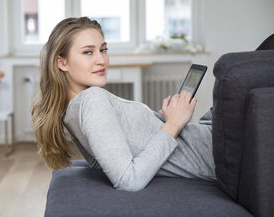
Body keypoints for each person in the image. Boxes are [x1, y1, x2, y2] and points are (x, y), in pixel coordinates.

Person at [32, 17, 215, 192]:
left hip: (208, 137)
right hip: (218, 150)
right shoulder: (91, 101)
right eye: (88, 52)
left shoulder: (73, 110)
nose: (101, 60)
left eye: (103, 50)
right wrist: (172, 124)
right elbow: (129, 180)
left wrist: (162, 121)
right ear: (62, 62)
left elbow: (103, 161)